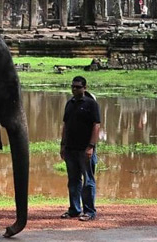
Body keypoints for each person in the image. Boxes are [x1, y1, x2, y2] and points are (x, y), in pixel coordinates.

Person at [59, 76, 101, 222]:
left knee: (88, 181)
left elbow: (96, 125)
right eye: (73, 86)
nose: (74, 89)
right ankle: (74, 209)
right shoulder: (69, 104)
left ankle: (89, 211)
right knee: (73, 180)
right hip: (70, 148)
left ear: (84, 88)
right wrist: (62, 145)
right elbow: (65, 125)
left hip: (85, 149)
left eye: (77, 87)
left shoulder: (91, 104)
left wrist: (91, 146)